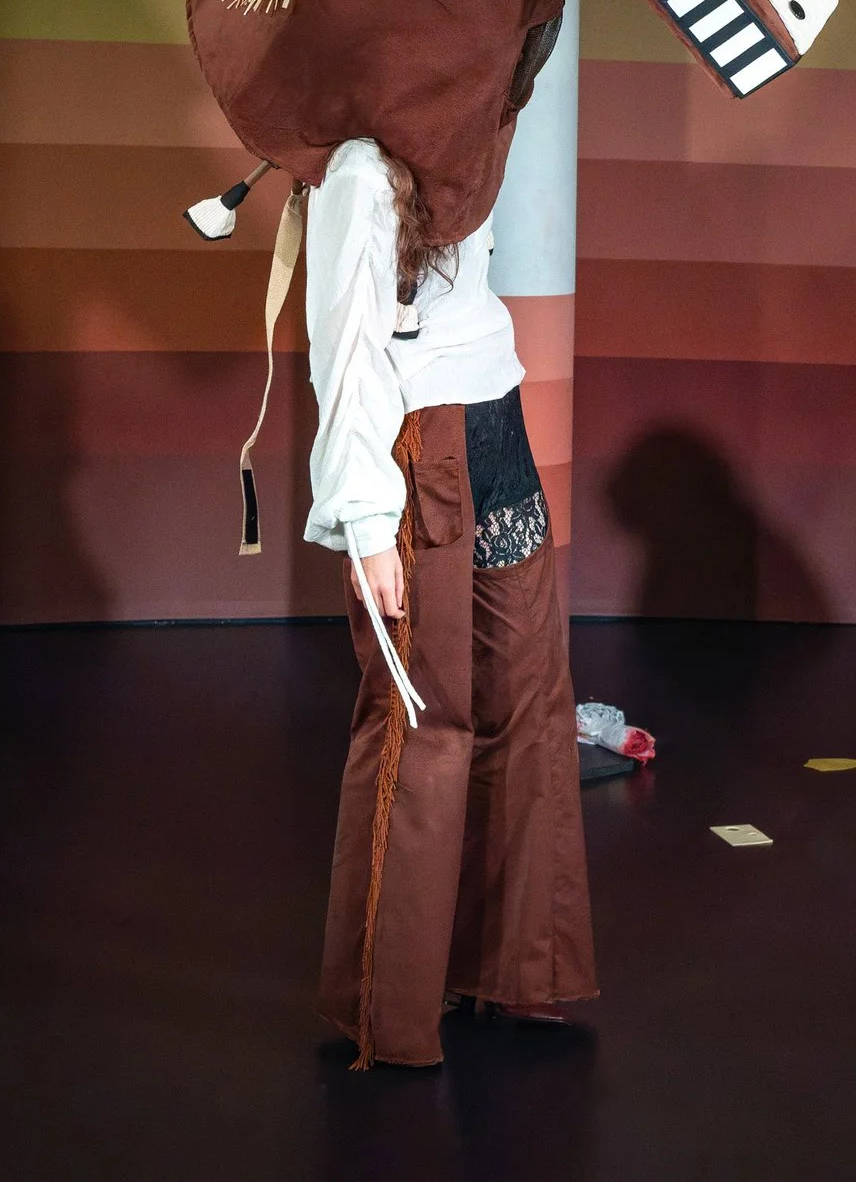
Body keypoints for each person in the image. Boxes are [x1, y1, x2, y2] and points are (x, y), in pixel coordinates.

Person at [304, 137, 594, 1069]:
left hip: (496, 423)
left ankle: (505, 967)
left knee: (528, 699)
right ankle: (388, 1013)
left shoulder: (467, 140)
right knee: (423, 722)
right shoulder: (360, 172)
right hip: (421, 447)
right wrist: (365, 520)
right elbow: (345, 348)